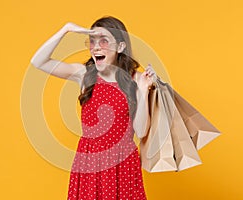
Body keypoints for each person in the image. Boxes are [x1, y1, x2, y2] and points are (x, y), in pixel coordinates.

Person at [30, 16, 157, 200]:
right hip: (90, 162)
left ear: (120, 47)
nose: (96, 47)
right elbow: (38, 61)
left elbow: (141, 130)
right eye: (92, 41)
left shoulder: (136, 79)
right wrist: (65, 29)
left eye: (104, 41)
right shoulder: (84, 75)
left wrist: (144, 90)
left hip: (123, 163)